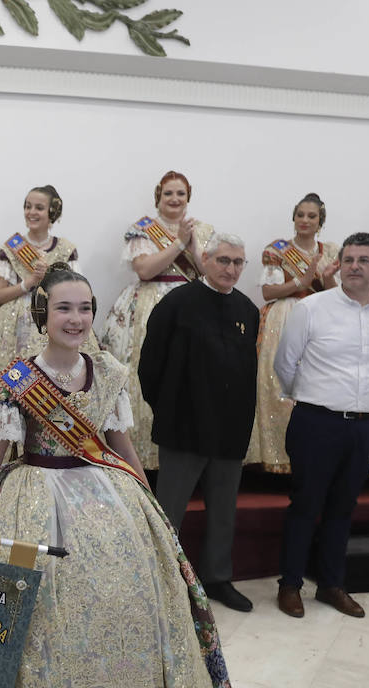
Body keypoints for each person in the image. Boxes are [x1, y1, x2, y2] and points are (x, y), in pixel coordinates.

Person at [0, 264, 238, 688]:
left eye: (85, 308)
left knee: (122, 609)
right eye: (64, 308)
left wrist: (150, 509)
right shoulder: (17, 380)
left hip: (107, 499)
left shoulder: (107, 371)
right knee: (44, 621)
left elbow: (121, 446)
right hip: (34, 501)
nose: (77, 318)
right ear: (43, 314)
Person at [273, 232, 369, 619]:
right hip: (316, 421)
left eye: (363, 260)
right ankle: (290, 584)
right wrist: (312, 396)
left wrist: (359, 399)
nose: (353, 267)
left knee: (343, 507)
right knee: (305, 504)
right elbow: (285, 363)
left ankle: (331, 585)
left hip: (365, 426)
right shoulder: (311, 308)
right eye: (348, 259)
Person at [138, 232, 258, 613]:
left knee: (224, 512)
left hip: (229, 431)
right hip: (183, 429)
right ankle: (164, 581)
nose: (231, 269)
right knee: (169, 511)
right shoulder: (177, 303)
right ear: (205, 259)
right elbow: (149, 367)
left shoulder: (248, 310)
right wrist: (169, 409)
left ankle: (218, 578)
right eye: (223, 260)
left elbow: (246, 373)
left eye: (238, 262)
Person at [246, 194, 369, 474]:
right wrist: (301, 282)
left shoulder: (331, 251)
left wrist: (328, 277)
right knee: (275, 380)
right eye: (300, 215)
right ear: (293, 218)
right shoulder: (277, 250)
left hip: (327, 316)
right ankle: (280, 456)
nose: (305, 220)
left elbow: (338, 292)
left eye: (312, 216)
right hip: (286, 314)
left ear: (321, 221)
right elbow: (268, 292)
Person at [101, 170, 214, 470]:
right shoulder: (142, 230)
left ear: (188, 197)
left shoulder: (203, 230)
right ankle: (139, 455)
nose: (174, 199)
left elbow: (210, 274)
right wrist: (178, 243)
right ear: (158, 197)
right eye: (168, 193)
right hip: (149, 305)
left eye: (180, 193)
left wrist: (192, 245)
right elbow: (145, 270)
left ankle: (189, 455)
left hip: (192, 304)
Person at [0, 185, 81, 411]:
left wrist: (49, 280)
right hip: (12, 327)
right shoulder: (11, 248)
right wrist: (28, 282)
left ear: (52, 212)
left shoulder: (65, 250)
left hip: (53, 320)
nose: (31, 212)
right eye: (28, 206)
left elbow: (75, 294)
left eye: (39, 207)